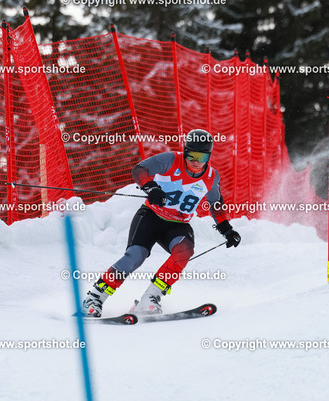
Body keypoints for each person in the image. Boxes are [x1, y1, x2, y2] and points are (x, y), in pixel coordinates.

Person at [82, 129, 241, 316]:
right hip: (151, 216)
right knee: (135, 256)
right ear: (185, 151)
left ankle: (150, 298)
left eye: (202, 157)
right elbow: (139, 170)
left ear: (209, 156)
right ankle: (94, 298)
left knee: (184, 251)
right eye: (191, 155)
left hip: (177, 224)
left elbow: (215, 203)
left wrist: (226, 229)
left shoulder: (212, 177)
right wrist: (151, 188)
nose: (196, 161)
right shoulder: (171, 160)